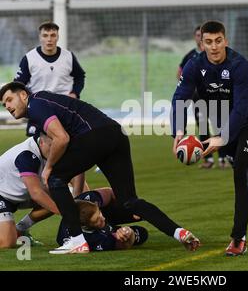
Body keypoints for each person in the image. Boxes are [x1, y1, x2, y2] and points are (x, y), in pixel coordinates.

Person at [0, 82, 200, 255]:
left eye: (9, 99)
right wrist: (76, 196)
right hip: (115, 134)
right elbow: (75, 159)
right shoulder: (44, 103)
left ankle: (77, 241)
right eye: (4, 104)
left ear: (24, 95)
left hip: (94, 136)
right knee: (129, 201)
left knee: (54, 179)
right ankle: (179, 232)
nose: (7, 106)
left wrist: (49, 168)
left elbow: (62, 138)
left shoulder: (36, 104)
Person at [171, 20, 248, 256]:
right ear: (201, 43)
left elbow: (241, 110)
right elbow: (180, 98)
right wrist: (178, 133)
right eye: (208, 42)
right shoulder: (193, 65)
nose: (214, 47)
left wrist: (221, 139)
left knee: (241, 168)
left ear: (226, 40)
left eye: (218, 41)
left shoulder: (240, 65)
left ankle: (238, 238)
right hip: (225, 122)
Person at [14, 21, 88, 194]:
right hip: (40, 111)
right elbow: (19, 84)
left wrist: (75, 93)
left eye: (53, 35)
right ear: (40, 37)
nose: (49, 39)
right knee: (40, 152)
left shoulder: (68, 57)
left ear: (58, 36)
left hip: (64, 110)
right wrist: (25, 104)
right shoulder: (30, 58)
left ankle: (79, 195)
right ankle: (44, 187)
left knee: (71, 151)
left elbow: (80, 76)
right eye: (45, 35)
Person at [177, 26, 230, 169]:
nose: (199, 37)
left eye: (201, 35)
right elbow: (180, 72)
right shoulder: (190, 56)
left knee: (219, 126)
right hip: (198, 99)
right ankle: (208, 160)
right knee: (202, 128)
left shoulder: (215, 55)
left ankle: (224, 158)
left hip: (216, 98)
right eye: (197, 35)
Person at [0, 134, 59, 249]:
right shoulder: (27, 155)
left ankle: (20, 230)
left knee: (61, 198)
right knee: (7, 243)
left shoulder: (58, 150)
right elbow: (36, 194)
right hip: (2, 195)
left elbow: (76, 178)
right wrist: (67, 214)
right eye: (51, 146)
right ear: (41, 142)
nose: (54, 151)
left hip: (19, 194)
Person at [56, 187, 149, 251]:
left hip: (109, 211)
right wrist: (128, 234)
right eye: (97, 220)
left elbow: (110, 192)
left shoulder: (87, 200)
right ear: (85, 226)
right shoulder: (90, 240)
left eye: (99, 213)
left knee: (142, 211)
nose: (103, 218)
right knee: (141, 234)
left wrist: (130, 205)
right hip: (101, 233)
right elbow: (121, 245)